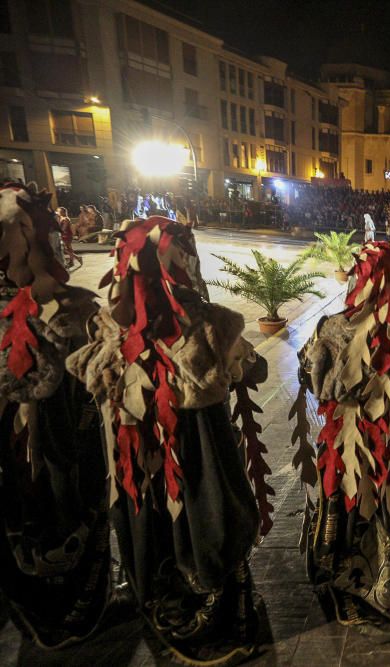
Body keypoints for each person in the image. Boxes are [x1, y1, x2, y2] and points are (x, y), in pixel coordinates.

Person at [66, 216, 270, 664]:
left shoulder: (110, 333)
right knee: (203, 523)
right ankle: (219, 617)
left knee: (155, 524)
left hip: (140, 466)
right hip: (197, 466)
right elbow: (255, 370)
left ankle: (161, 603)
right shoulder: (208, 327)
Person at [297, 241, 390, 634]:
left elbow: (316, 382)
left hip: (349, 445)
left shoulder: (331, 327)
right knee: (388, 506)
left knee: (350, 500)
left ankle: (350, 572)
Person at [0, 182, 110, 649]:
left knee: (66, 506)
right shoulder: (64, 311)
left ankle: (68, 598)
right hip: (29, 443)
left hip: (68, 431)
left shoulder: (71, 308)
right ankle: (47, 604)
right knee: (37, 511)